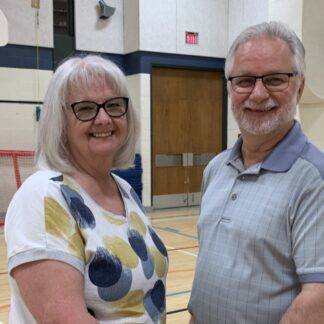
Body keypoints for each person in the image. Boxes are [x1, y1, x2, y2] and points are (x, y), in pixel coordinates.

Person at [5, 54, 168, 323]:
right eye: (85, 108)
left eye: (114, 105)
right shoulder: (44, 197)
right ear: (60, 121)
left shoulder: (124, 189)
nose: (103, 119)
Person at [188, 21, 324, 323]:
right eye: (245, 80)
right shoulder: (216, 169)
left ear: (299, 88)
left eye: (275, 79)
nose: (259, 94)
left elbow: (318, 300)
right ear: (229, 88)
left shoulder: (315, 179)